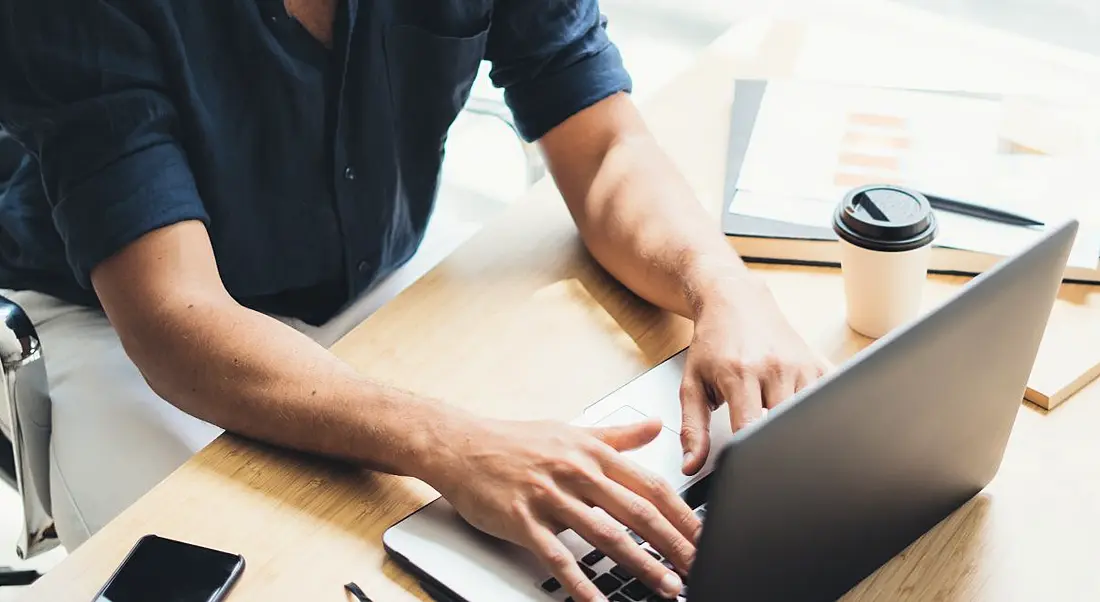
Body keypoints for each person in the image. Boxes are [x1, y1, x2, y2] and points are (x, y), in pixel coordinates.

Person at [0, 1, 827, 600]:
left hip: (375, 269)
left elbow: (605, 146)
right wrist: (453, 445)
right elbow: (176, 316)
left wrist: (721, 286)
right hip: (124, 324)